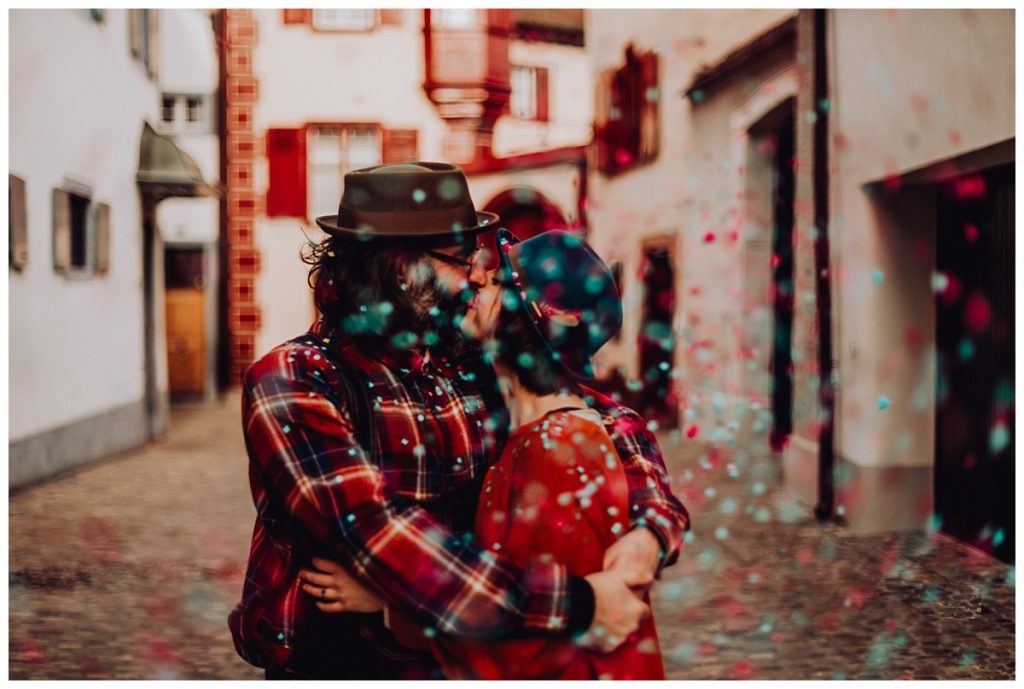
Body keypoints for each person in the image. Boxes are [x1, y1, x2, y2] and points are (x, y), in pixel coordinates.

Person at [228, 162, 689, 679]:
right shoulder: (297, 380)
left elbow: (607, 422)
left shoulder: (461, 358)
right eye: (460, 258)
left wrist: (650, 533)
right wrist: (578, 604)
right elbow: (383, 540)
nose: (477, 271)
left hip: (454, 663)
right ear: (403, 269)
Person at [302, 228, 666, 679]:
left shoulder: (558, 451)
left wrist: (391, 606)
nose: (477, 280)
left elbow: (532, 650)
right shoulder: (528, 429)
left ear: (547, 317)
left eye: (498, 282)